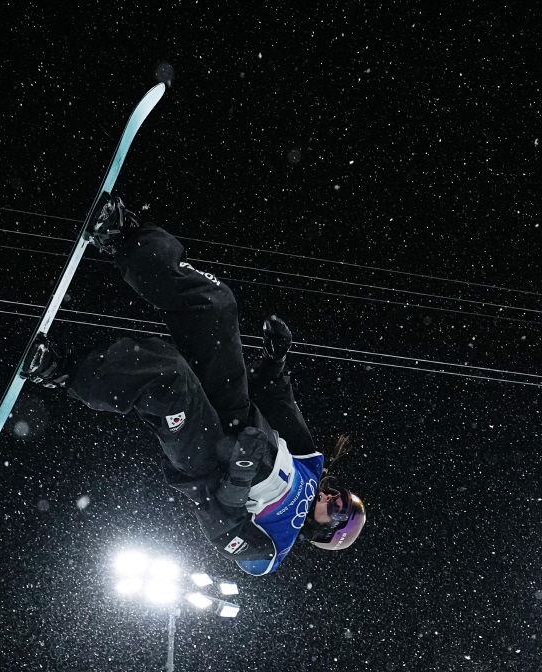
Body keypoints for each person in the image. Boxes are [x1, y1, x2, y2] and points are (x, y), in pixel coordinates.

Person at [21, 195, 366, 575]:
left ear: (325, 530)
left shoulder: (271, 551)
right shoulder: (311, 467)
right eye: (341, 494)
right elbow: (280, 402)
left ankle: (60, 371)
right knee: (215, 305)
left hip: (208, 460)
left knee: (168, 375)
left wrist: (240, 473)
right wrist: (275, 359)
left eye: (337, 508)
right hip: (237, 414)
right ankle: (124, 236)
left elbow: (222, 529)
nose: (332, 496)